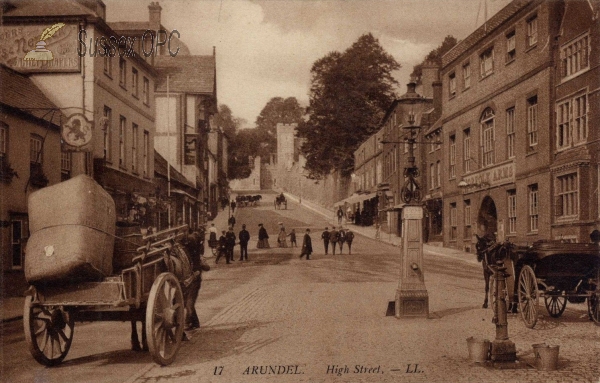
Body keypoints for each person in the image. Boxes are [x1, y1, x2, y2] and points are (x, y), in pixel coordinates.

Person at [184, 229, 210, 330]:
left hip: (195, 281)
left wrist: (199, 268)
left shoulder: (196, 256)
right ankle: (196, 322)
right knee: (188, 302)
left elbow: (206, 267)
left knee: (189, 303)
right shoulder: (191, 255)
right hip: (190, 280)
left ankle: (187, 323)